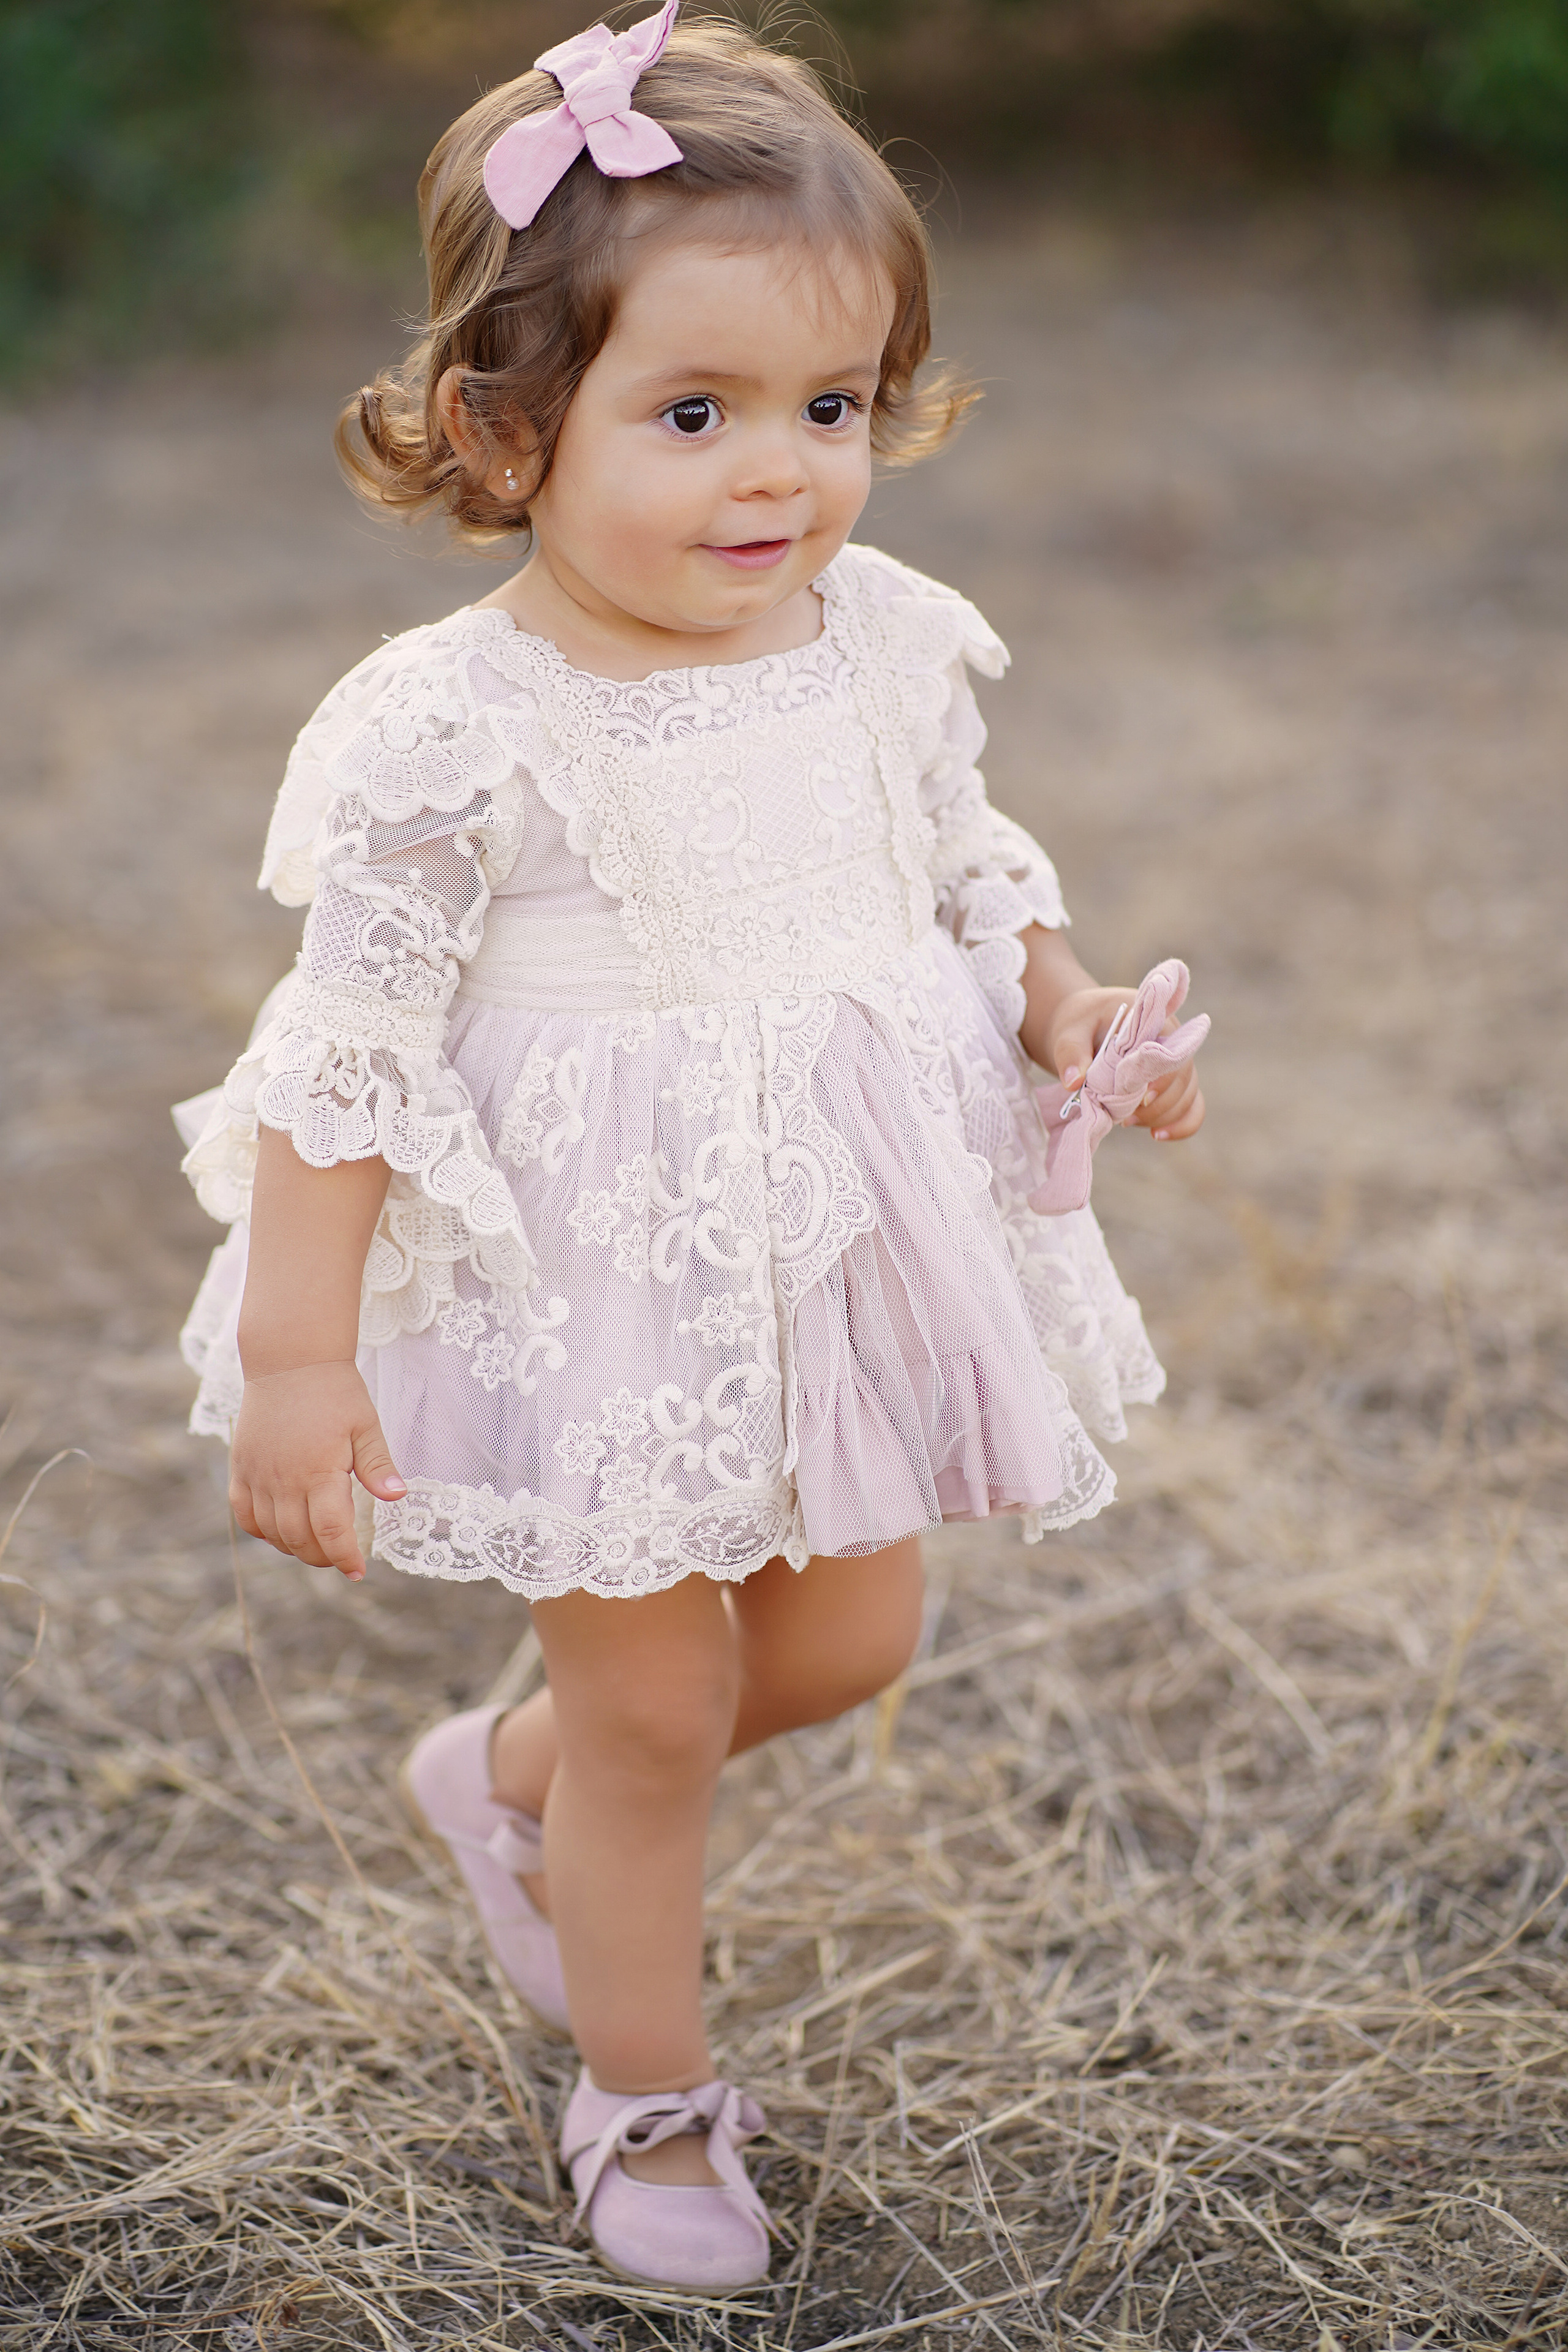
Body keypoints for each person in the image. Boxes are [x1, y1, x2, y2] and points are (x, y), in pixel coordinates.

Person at [174, 0, 1205, 2296]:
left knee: (841, 1640)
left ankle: (493, 1778)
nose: (781, 477)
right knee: (663, 1700)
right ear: (505, 427)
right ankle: (640, 2092)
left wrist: (1059, 1001)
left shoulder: (878, 641)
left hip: (833, 1234)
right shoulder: (455, 726)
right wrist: (301, 1359)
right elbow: (347, 1052)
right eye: (698, 413)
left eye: (829, 409)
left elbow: (967, 858)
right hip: (598, 1263)